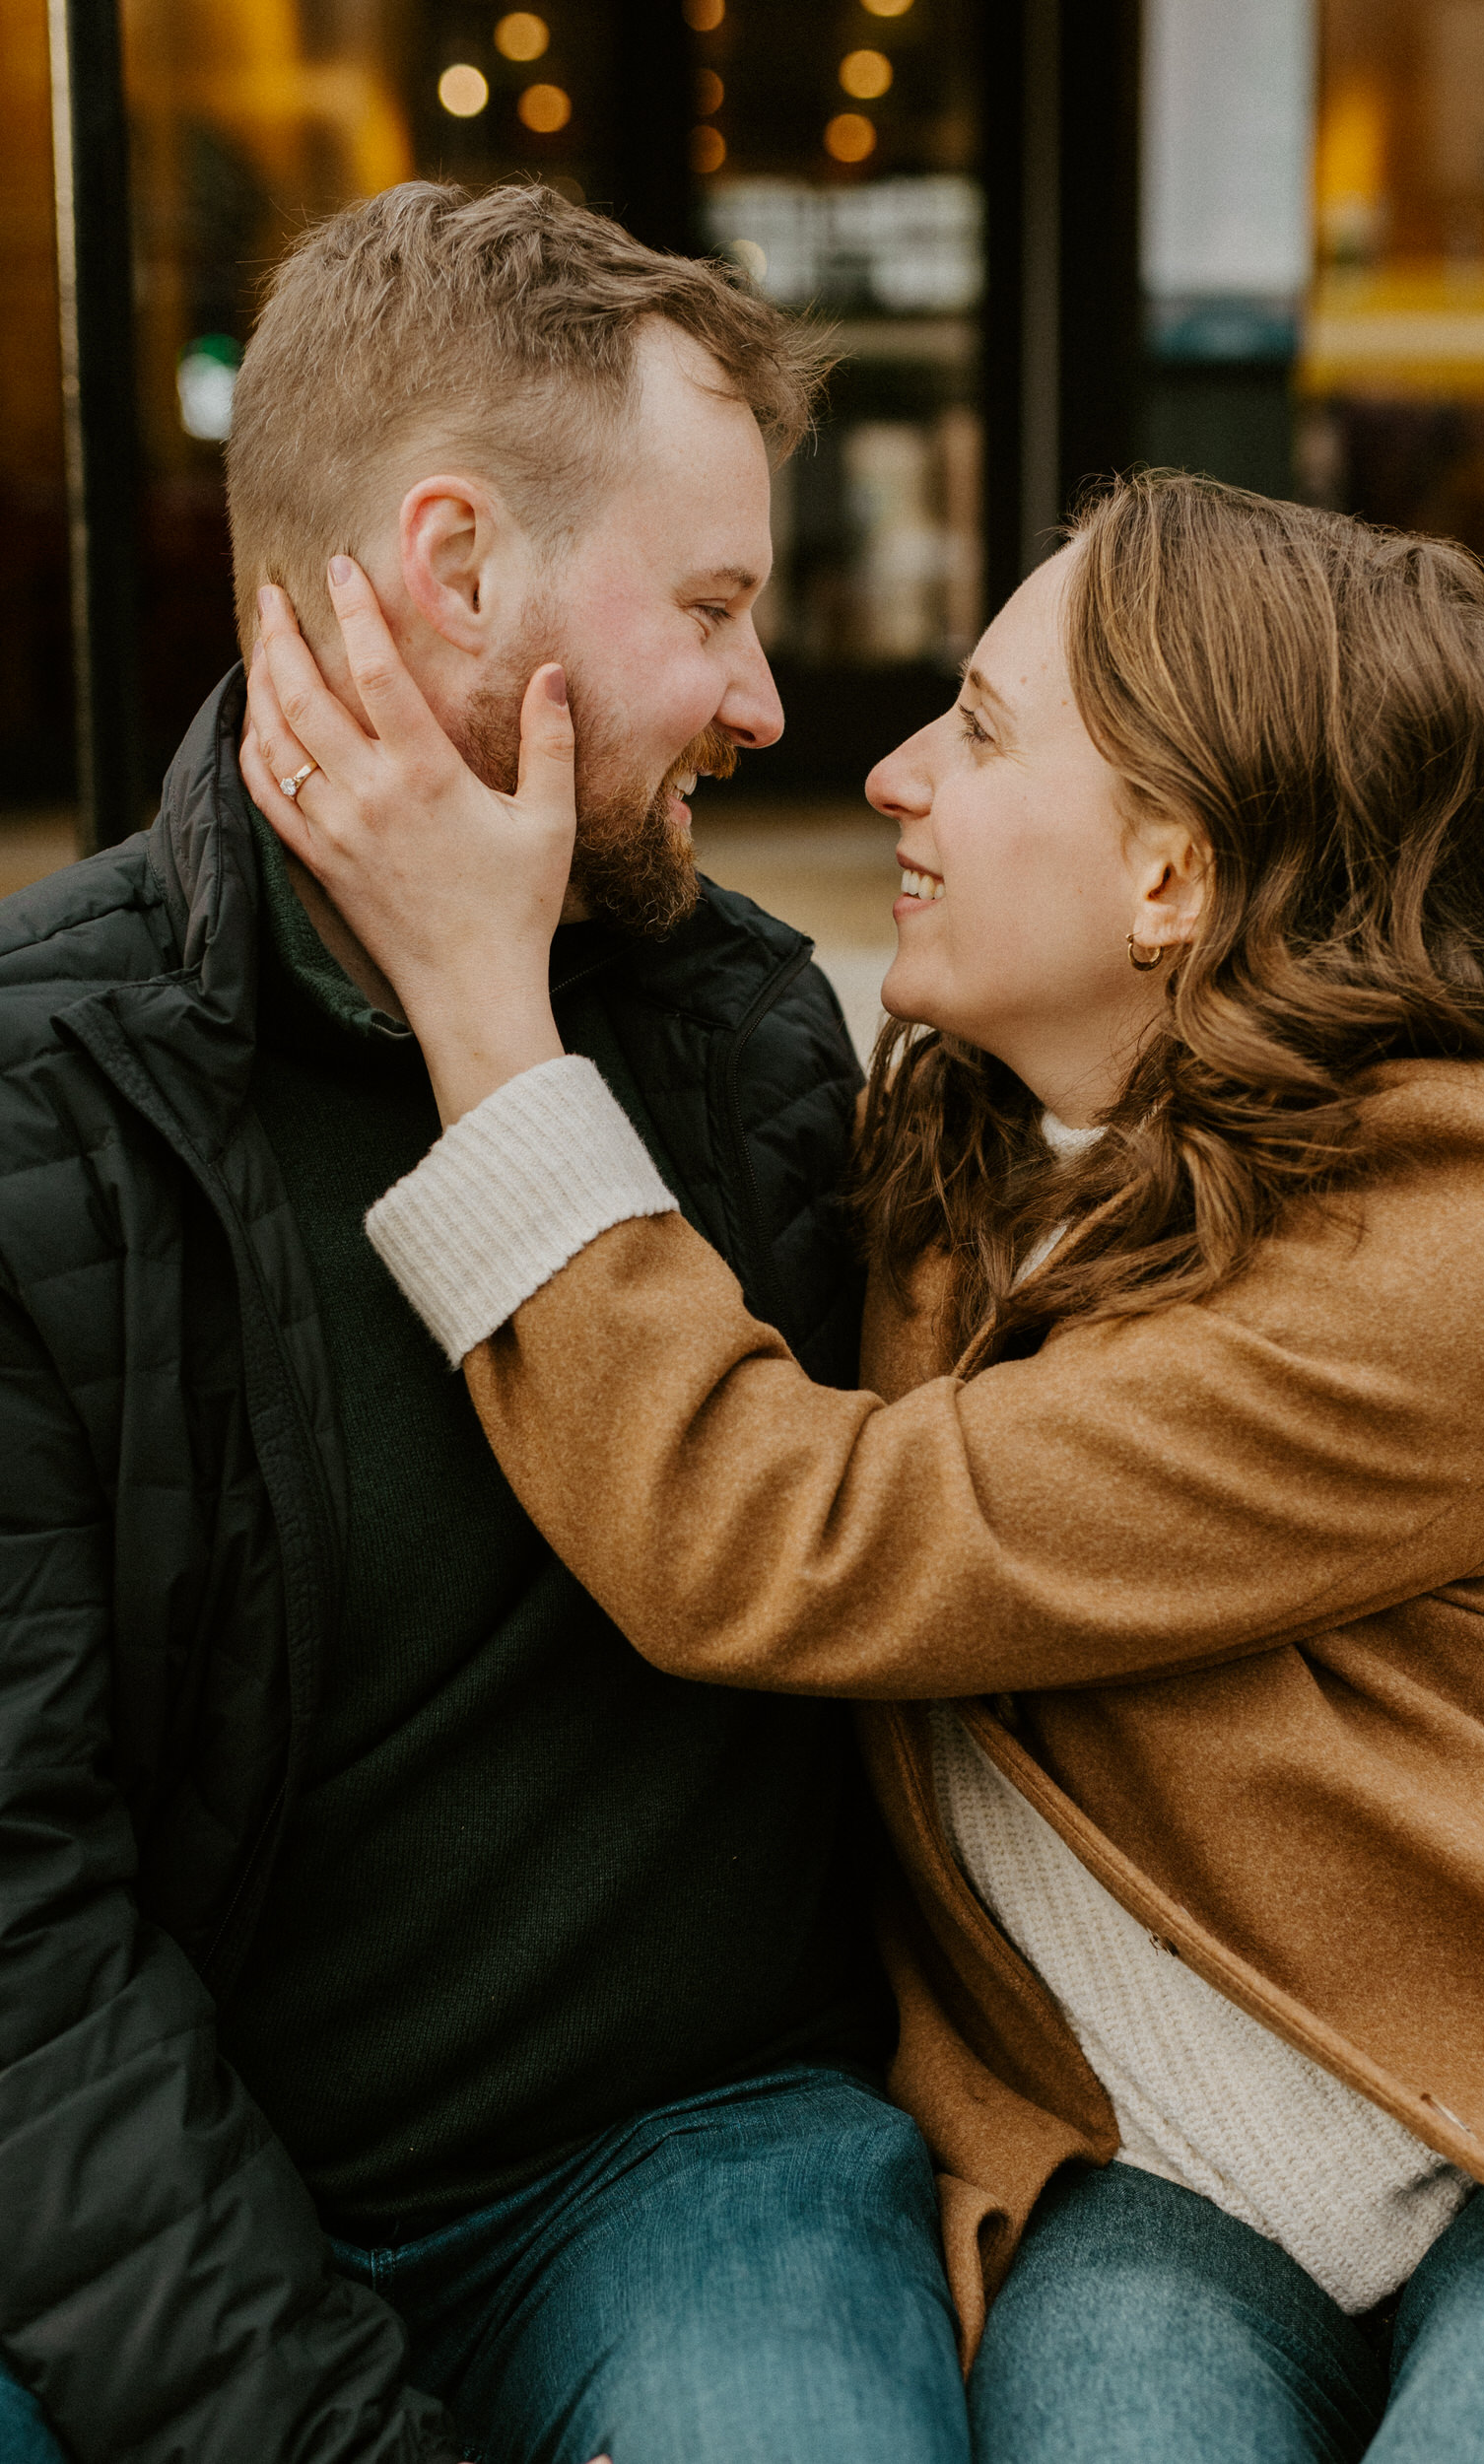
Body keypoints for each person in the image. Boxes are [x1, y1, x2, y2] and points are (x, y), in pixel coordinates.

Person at [246, 468, 1484, 2464]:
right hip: (1141, 2158)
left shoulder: (1439, 1256)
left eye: (979, 731)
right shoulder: (970, 1157)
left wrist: (483, 1000)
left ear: (1167, 875)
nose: (890, 772)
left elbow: (779, 1533)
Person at [0, 183, 971, 2464]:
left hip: (687, 2152)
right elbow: (20, 1940)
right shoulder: (42, 1106)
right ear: (455, 568)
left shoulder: (739, 1026)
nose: (765, 696)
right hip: (176, 2169)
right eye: (713, 607)